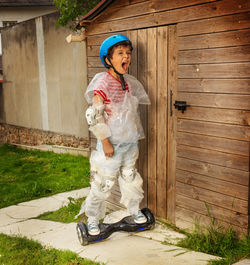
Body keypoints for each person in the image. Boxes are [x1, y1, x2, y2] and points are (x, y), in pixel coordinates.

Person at [77, 34, 150, 235]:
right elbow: (94, 115)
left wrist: (133, 136)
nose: (126, 56)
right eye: (120, 53)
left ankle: (134, 211)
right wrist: (105, 141)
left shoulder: (128, 82)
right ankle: (92, 219)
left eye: (128, 53)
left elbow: (129, 113)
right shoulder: (102, 83)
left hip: (129, 142)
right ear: (108, 59)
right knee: (104, 182)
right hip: (110, 144)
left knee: (130, 177)